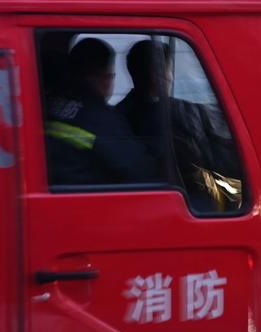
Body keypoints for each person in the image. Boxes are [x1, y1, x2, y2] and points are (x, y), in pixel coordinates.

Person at [116, 39, 243, 212]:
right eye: (170, 70)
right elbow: (217, 155)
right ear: (158, 75)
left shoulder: (117, 115)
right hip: (183, 200)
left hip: (136, 203)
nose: (171, 77)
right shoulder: (181, 112)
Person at [44, 37, 159, 185]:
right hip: (84, 200)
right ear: (108, 78)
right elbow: (141, 171)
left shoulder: (51, 104)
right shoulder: (101, 119)